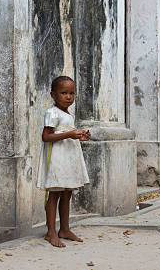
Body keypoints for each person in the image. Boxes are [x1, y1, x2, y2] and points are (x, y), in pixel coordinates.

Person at [36, 76, 91, 247]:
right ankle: (50, 231)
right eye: (63, 93)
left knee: (67, 193)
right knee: (55, 194)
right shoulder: (52, 112)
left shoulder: (67, 113)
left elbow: (66, 132)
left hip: (68, 157)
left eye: (72, 93)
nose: (68, 97)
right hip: (57, 159)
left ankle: (65, 229)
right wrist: (69, 134)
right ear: (53, 95)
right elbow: (46, 137)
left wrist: (79, 136)